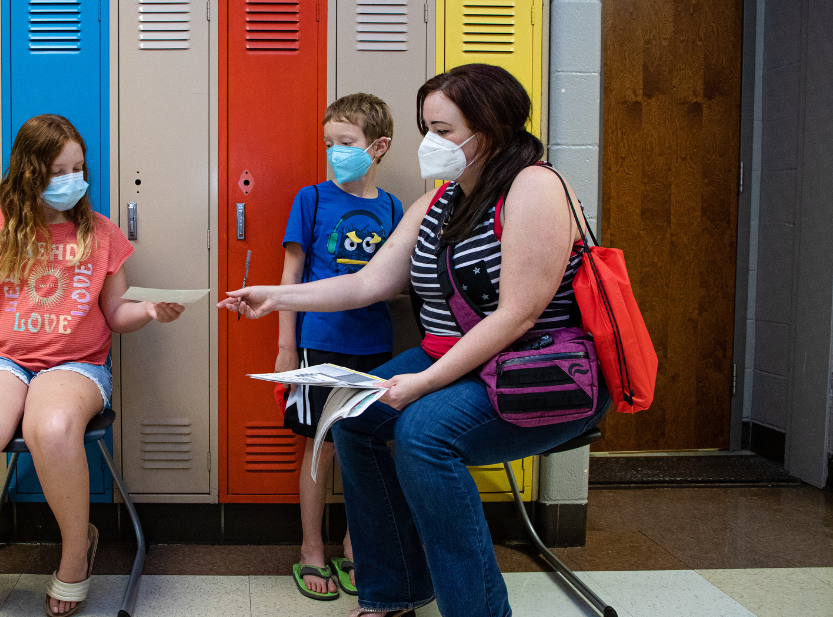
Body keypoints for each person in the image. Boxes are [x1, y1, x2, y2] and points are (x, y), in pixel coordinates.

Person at [220, 64, 610, 617]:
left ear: (490, 129)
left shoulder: (536, 187)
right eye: (427, 128)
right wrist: (275, 297)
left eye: (444, 130)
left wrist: (424, 383)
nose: (431, 143)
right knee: (351, 412)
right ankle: (396, 588)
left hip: (535, 372)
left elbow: (517, 316)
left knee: (425, 434)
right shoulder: (437, 203)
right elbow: (366, 282)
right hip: (457, 364)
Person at [0, 114, 185, 616]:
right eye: (59, 171)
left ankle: (77, 551)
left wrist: (150, 311)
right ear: (29, 172)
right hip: (4, 360)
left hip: (76, 364)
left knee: (51, 429)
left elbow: (115, 313)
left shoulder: (101, 233)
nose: (74, 180)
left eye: (79, 168)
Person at [277, 93, 403, 601]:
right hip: (320, 345)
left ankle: (355, 544)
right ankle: (311, 548)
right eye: (329, 142)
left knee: (364, 449)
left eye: (345, 142)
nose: (334, 152)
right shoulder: (310, 200)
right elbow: (288, 280)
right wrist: (287, 346)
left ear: (378, 147)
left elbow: (395, 281)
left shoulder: (394, 207)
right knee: (320, 448)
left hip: (375, 347)